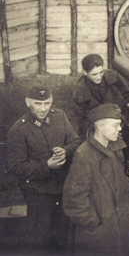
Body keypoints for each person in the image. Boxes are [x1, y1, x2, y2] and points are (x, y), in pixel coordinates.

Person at [6, 83, 81, 252]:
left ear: (52, 100)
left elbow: (75, 142)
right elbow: (16, 167)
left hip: (63, 186)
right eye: (37, 104)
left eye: (47, 103)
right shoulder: (18, 130)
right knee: (40, 237)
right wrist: (46, 166)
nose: (42, 109)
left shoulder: (60, 117)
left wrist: (65, 151)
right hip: (38, 192)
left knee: (64, 233)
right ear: (27, 102)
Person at [63, 103, 129, 255]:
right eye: (115, 125)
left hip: (120, 225)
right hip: (101, 232)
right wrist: (94, 223)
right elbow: (74, 200)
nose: (120, 129)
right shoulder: (84, 156)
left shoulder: (115, 146)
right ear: (100, 126)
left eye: (120, 125)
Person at [72, 53, 129, 136]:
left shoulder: (112, 76)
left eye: (101, 72)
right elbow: (81, 118)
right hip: (96, 126)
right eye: (94, 74)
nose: (99, 77)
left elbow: (127, 95)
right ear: (84, 72)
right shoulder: (80, 90)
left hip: (118, 119)